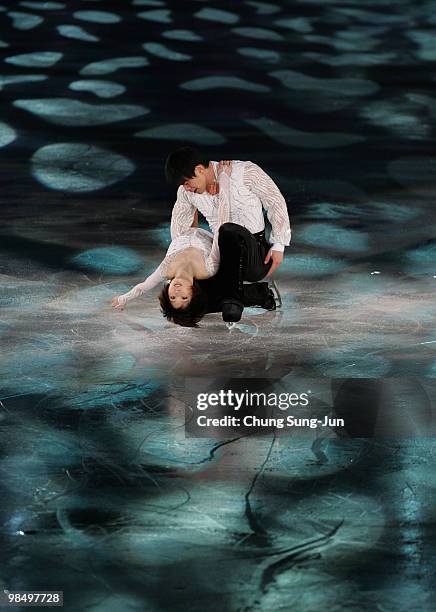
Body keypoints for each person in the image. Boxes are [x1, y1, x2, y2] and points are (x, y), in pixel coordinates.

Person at [111, 162, 277, 326]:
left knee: (185, 193)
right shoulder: (209, 268)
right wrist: (224, 178)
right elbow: (223, 221)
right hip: (212, 242)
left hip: (180, 233)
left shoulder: (166, 269)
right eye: (183, 297)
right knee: (216, 291)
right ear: (193, 290)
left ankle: (254, 295)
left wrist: (123, 298)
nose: (177, 292)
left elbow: (143, 286)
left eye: (172, 297)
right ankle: (260, 295)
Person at [165, 146, 291, 321]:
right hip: (220, 256)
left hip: (253, 255)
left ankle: (233, 299)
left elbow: (275, 201)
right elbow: (181, 230)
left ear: (200, 170)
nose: (186, 188)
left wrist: (279, 245)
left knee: (228, 230)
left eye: (187, 182)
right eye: (182, 185)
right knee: (185, 303)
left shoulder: (245, 171)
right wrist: (182, 265)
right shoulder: (187, 193)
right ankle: (256, 294)